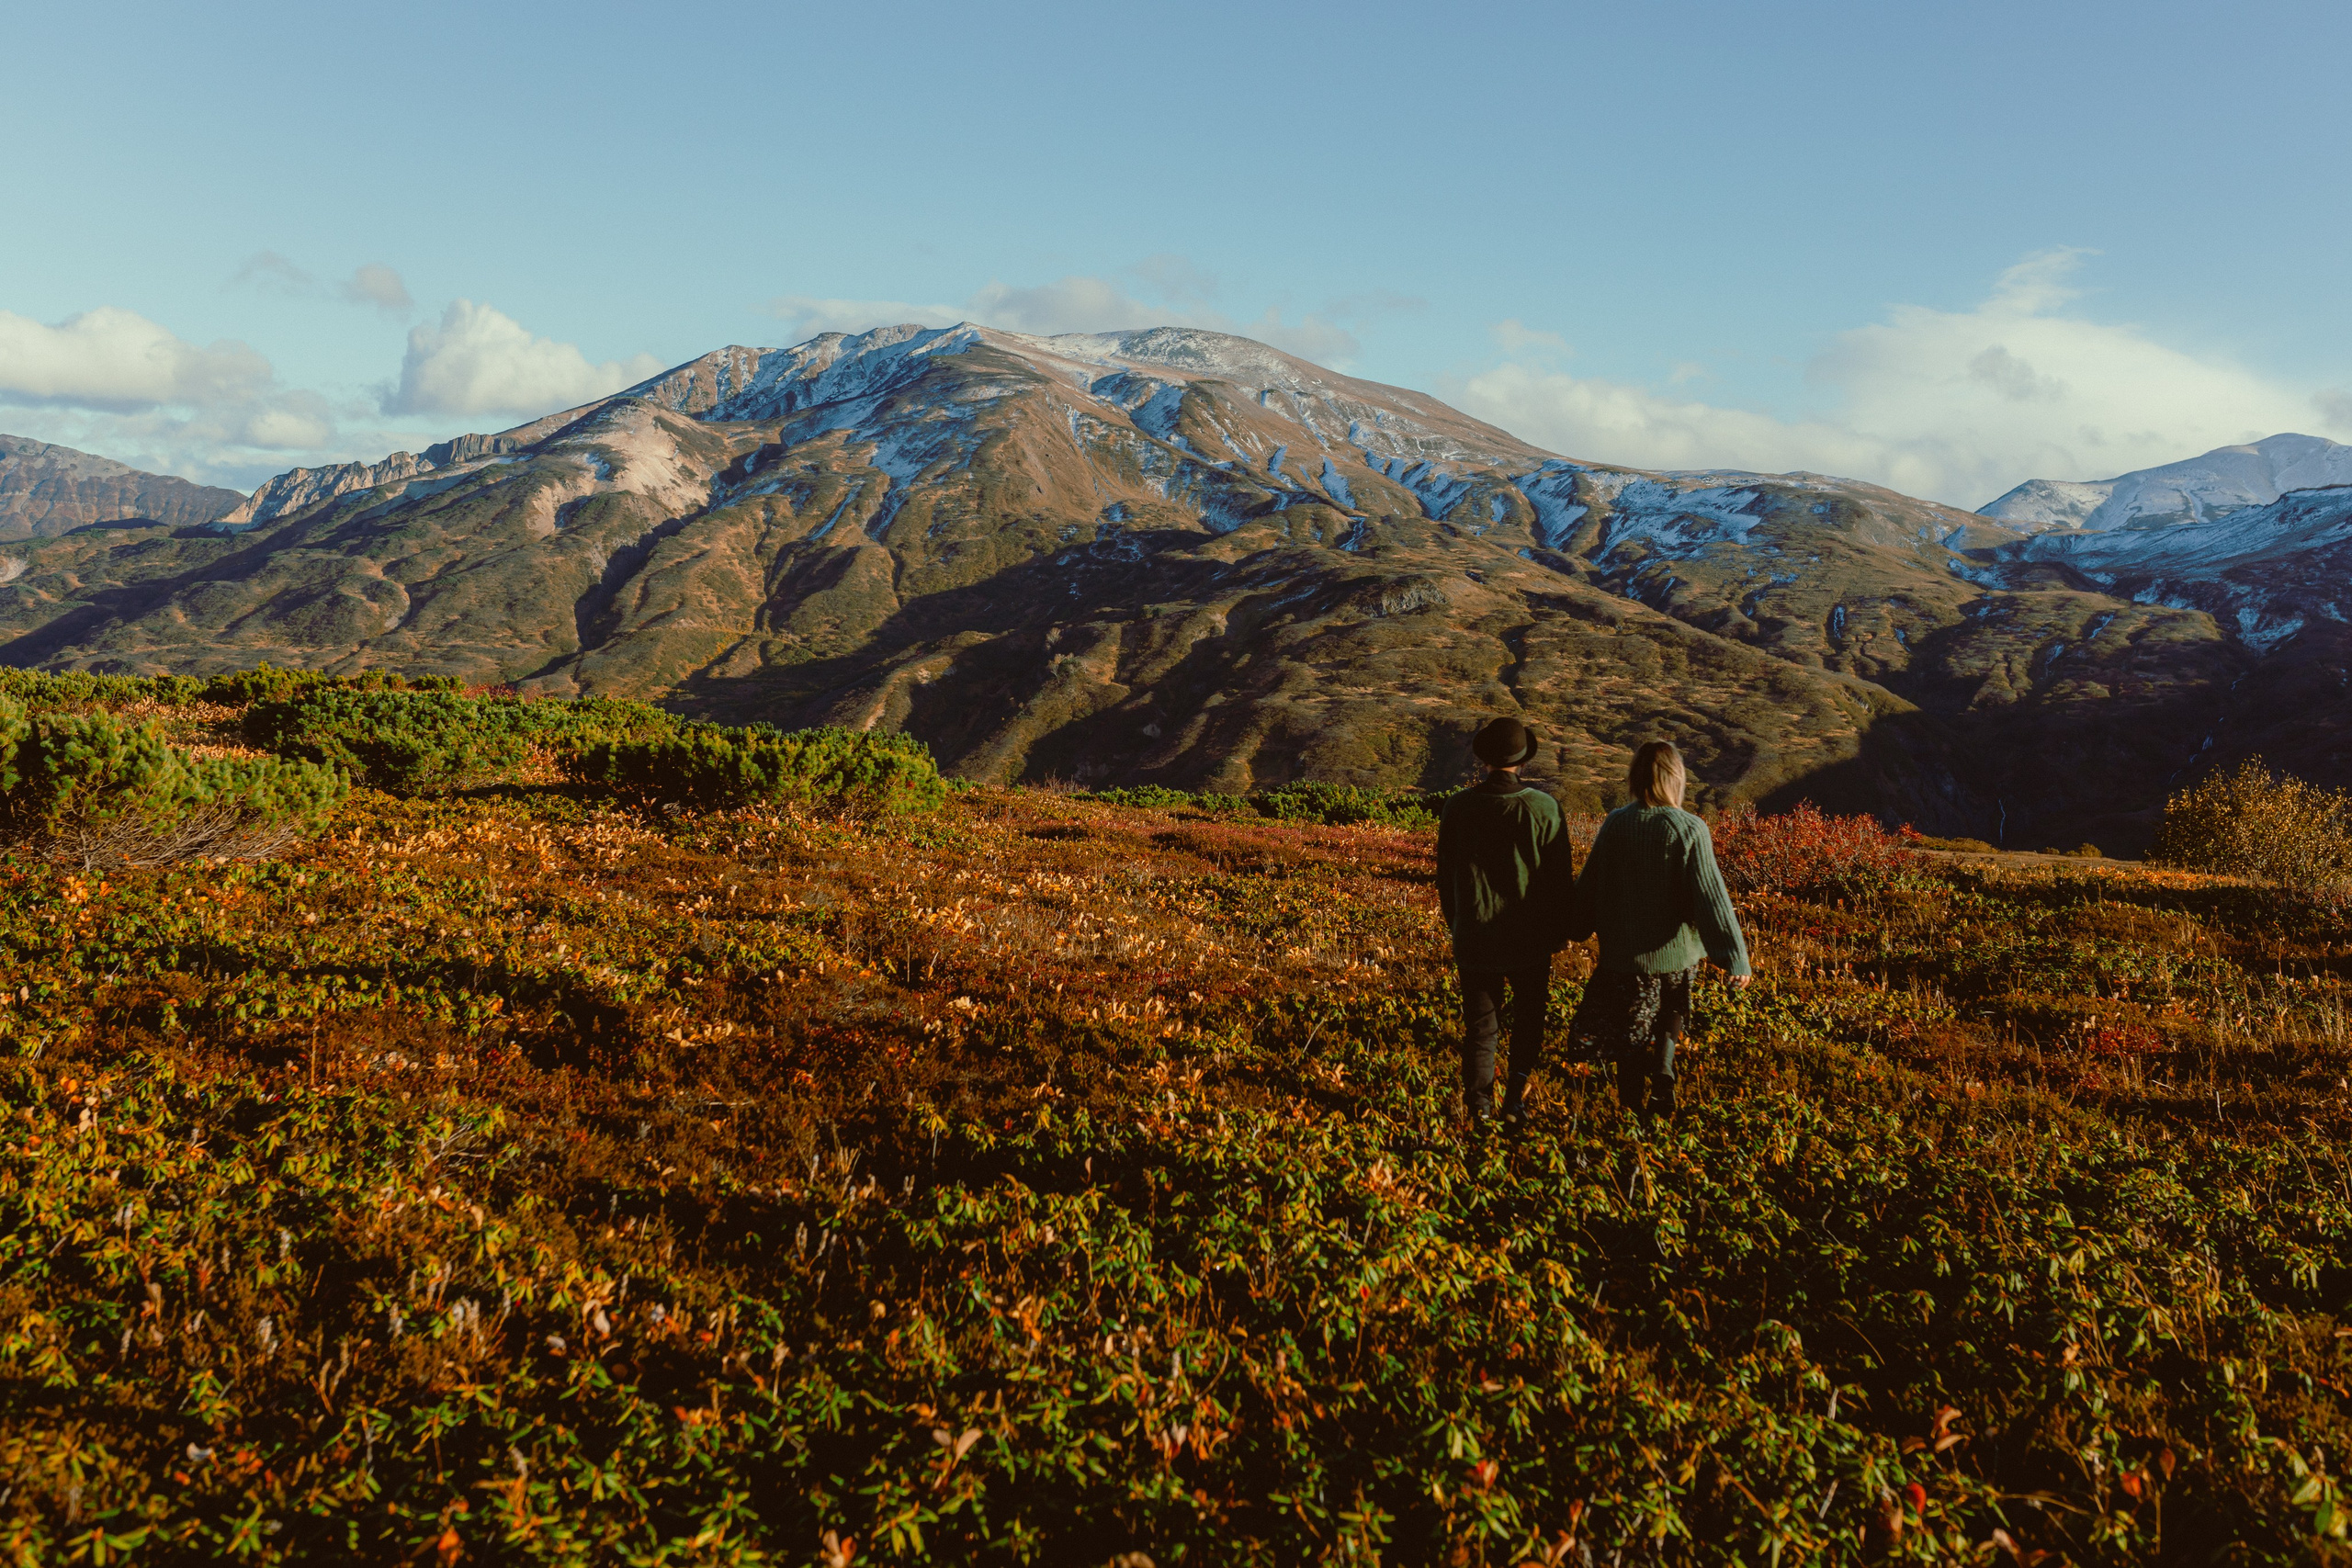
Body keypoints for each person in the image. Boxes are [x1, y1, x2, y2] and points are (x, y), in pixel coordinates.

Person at [1561, 739, 1749, 1132]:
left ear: (1635, 777)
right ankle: (1663, 1065)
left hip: (1625, 956)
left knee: (1630, 1033)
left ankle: (1631, 1111)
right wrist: (1734, 956)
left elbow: (1592, 883)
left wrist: (1572, 927)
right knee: (1671, 1011)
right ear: (1676, 778)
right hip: (1676, 954)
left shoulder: (1616, 822)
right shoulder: (1689, 828)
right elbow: (1710, 896)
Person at [1435, 716, 1572, 1131]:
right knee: (1529, 1022)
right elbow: (1559, 881)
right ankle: (1516, 1102)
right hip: (1530, 940)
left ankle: (1478, 1108)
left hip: (1474, 936)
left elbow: (1445, 877)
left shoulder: (1457, 807)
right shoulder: (1544, 808)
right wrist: (1561, 931)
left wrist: (1457, 924)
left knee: (1481, 1029)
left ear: (1485, 761)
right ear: (1523, 761)